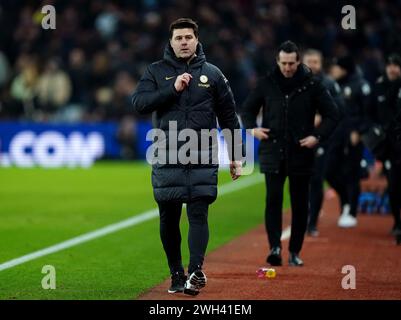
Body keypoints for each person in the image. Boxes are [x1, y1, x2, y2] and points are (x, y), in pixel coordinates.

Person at [132, 18, 242, 295]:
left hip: (202, 152)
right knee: (168, 218)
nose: (183, 42)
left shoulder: (214, 74)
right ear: (170, 42)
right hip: (167, 152)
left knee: (198, 214)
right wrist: (173, 89)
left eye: (188, 37)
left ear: (196, 40)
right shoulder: (155, 71)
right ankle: (175, 274)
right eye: (178, 38)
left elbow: (229, 117)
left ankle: (194, 272)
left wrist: (236, 156)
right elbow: (139, 103)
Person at [241, 41, 339, 266]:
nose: (287, 67)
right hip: (272, 152)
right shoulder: (266, 83)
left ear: (298, 62)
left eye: (291, 63)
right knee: (273, 201)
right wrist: (252, 128)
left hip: (301, 153)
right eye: (283, 63)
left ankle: (295, 251)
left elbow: (333, 114)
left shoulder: (313, 84)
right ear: (277, 61)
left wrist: (317, 136)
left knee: (299, 204)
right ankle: (274, 247)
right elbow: (247, 110)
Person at [302, 49, 345, 237]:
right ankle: (303, 218)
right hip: (297, 140)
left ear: (321, 64)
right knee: (298, 181)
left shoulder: (329, 83)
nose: (312, 65)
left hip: (321, 140)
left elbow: (339, 110)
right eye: (309, 61)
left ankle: (311, 223)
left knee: (316, 180)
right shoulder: (292, 82)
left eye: (315, 61)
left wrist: (322, 117)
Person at [328, 56, 372, 228]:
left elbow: (368, 112)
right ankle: (345, 199)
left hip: (352, 135)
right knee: (329, 170)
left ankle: (352, 211)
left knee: (351, 173)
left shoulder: (361, 85)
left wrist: (359, 131)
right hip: (335, 135)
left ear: (344, 69)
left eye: (336, 67)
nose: (333, 70)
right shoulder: (333, 85)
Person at [370, 54, 401, 236]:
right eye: (390, 65)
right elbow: (371, 112)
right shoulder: (379, 86)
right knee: (393, 184)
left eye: (396, 65)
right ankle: (397, 222)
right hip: (388, 145)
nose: (393, 68)